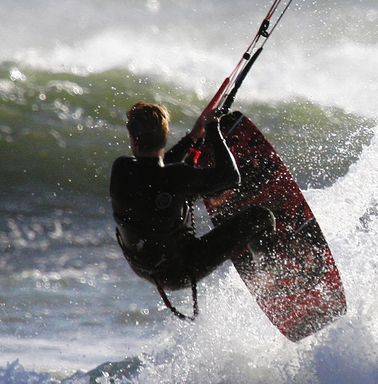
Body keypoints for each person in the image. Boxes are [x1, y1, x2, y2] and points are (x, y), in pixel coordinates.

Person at [110, 101, 275, 314]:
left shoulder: (121, 168)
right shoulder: (177, 176)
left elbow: (157, 171)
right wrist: (213, 129)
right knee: (261, 216)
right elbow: (231, 177)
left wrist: (193, 138)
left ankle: (253, 263)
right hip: (181, 270)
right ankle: (272, 277)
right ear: (165, 136)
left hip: (144, 267)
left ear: (132, 139)